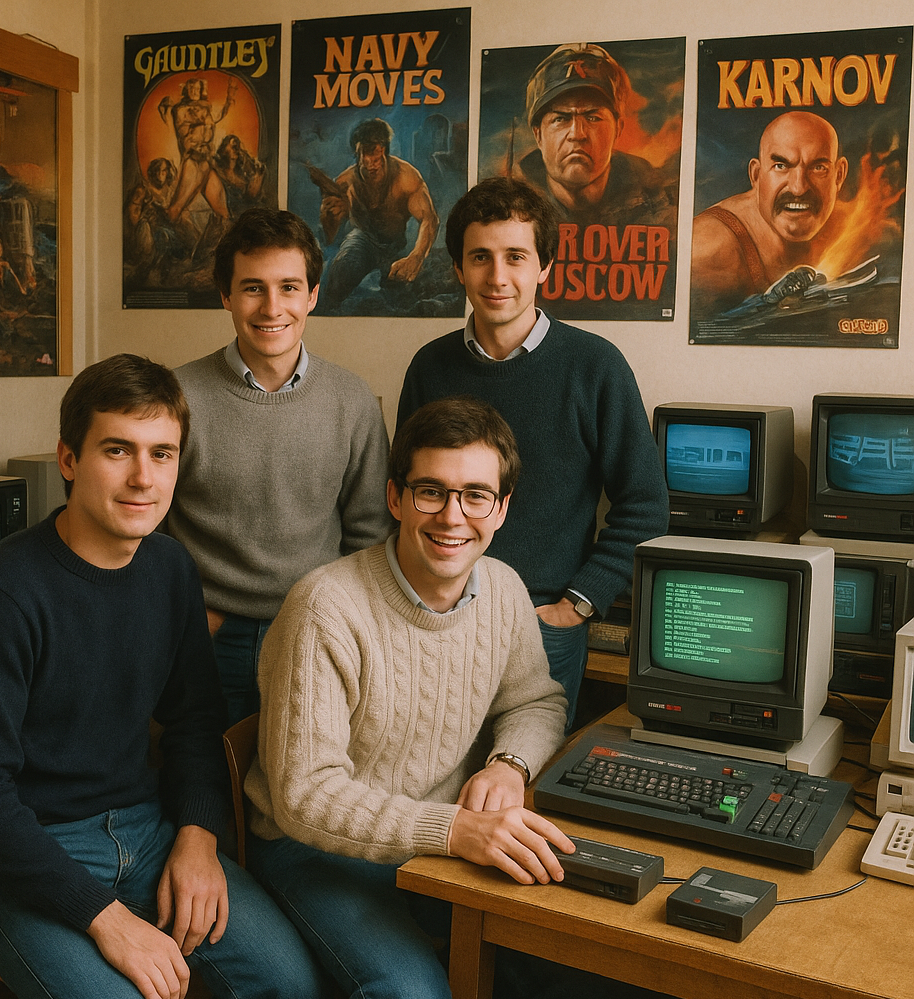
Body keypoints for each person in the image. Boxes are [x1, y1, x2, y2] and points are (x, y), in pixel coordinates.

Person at [0, 354, 329, 999]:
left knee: (294, 993)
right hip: (21, 855)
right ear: (68, 458)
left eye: (163, 453)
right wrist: (105, 919)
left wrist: (199, 838)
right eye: (117, 450)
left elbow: (195, 722)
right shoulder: (3, 590)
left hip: (146, 836)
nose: (144, 477)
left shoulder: (171, 568)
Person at [244, 396, 573, 999]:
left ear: (501, 509)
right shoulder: (325, 608)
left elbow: (536, 701)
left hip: (436, 846)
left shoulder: (504, 587)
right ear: (395, 499)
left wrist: (508, 765)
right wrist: (453, 829)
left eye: (476, 495)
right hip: (315, 849)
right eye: (431, 492)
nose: (453, 516)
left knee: (556, 961)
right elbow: (304, 795)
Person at [397, 177, 668, 729]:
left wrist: (578, 604)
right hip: (434, 616)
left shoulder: (595, 367)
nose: (498, 277)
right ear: (457, 268)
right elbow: (405, 496)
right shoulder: (429, 367)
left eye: (515, 257)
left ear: (544, 267)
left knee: (523, 784)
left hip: (543, 622)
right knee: (434, 780)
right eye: (480, 257)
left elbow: (645, 504)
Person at [166, 207, 392, 724]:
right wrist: (184, 613)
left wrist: (340, 622)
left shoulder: (352, 400)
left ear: (312, 295)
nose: (272, 307)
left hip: (314, 631)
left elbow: (370, 535)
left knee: (298, 794)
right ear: (225, 296)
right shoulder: (176, 396)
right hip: (207, 634)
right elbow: (145, 521)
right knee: (204, 783)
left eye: (289, 287)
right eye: (252, 288)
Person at [691, 111, 849, 319]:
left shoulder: (855, 225)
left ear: (839, 175)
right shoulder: (708, 248)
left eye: (818, 168)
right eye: (781, 166)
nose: (799, 187)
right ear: (756, 175)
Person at [518, 43, 675, 229]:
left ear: (618, 129)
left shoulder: (660, 203)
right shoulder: (509, 204)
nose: (577, 134)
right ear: (538, 135)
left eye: (593, 117)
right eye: (561, 118)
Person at [315, 117, 440, 308]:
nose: (371, 163)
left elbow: (430, 219)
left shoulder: (405, 177)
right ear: (357, 154)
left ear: (385, 152)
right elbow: (329, 236)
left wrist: (416, 256)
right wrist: (328, 216)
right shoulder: (345, 182)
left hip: (396, 246)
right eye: (365, 155)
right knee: (338, 277)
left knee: (408, 296)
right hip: (362, 240)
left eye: (376, 155)